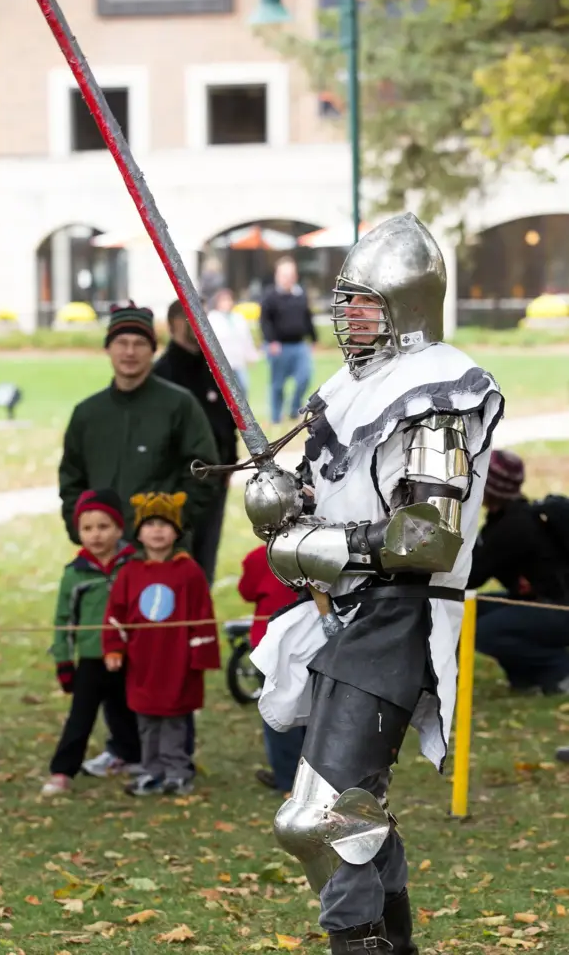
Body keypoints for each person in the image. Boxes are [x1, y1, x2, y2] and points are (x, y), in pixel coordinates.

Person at [244, 214, 504, 953]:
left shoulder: (438, 392)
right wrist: (281, 501)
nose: (346, 315)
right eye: (345, 301)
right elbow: (324, 499)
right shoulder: (349, 384)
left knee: (317, 820)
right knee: (355, 815)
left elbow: (427, 535)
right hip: (345, 614)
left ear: (406, 304)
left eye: (364, 302)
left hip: (400, 616)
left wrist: (321, 541)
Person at [60, 300, 218, 776]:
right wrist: (82, 529)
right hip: (108, 562)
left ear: (152, 349)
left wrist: (170, 529)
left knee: (165, 657)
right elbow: (71, 479)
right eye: (121, 344)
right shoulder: (88, 413)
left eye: (139, 344)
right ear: (108, 349)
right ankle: (125, 746)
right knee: (113, 651)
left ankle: (174, 755)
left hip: (161, 565)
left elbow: (204, 471)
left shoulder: (177, 405)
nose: (129, 353)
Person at [103, 492, 221, 796]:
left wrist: (200, 656)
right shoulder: (130, 573)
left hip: (177, 662)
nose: (157, 530)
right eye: (151, 523)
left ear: (177, 532)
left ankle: (177, 772)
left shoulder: (189, 572)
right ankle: (152, 771)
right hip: (142, 664)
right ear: (139, 532)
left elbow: (202, 614)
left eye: (165, 524)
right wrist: (114, 648)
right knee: (147, 720)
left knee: (174, 721)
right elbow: (116, 614)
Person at [41, 489, 141, 797]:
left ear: (119, 528)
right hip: (91, 657)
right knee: (81, 716)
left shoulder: (134, 565)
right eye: (87, 528)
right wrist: (63, 661)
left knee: (127, 710)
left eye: (103, 527)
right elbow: (63, 620)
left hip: (130, 655)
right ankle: (62, 770)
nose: (95, 535)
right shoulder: (75, 574)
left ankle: (133, 757)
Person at [468, 450, 569, 695]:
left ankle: (560, 671)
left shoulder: (512, 528)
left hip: (559, 610)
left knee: (483, 629)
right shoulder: (509, 518)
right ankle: (526, 678)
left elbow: (471, 576)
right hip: (541, 604)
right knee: (465, 613)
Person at [154, 299, 237, 587]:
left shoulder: (215, 368)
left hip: (215, 479)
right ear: (173, 322)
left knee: (205, 560)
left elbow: (229, 418)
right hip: (180, 483)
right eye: (190, 317)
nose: (198, 324)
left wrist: (230, 463)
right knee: (179, 561)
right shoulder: (164, 373)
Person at [238, 543, 304, 792]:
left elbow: (247, 591)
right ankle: (305, 779)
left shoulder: (258, 557)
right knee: (310, 710)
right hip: (307, 643)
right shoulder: (321, 552)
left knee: (279, 711)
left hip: (272, 644)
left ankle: (288, 777)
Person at [259, 256, 317, 426]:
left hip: (299, 345)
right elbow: (264, 321)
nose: (288, 278)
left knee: (304, 377)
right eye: (284, 275)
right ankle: (276, 417)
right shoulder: (270, 296)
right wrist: (271, 341)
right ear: (277, 275)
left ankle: (293, 410)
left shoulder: (300, 295)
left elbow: (307, 317)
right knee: (277, 384)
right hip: (279, 346)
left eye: (291, 274)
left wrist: (313, 338)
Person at [208, 288, 260, 396]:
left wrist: (251, 356)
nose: (227, 303)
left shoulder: (238, 318)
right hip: (222, 361)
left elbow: (246, 338)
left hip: (238, 361)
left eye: (228, 300)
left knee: (243, 388)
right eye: (223, 300)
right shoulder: (213, 318)